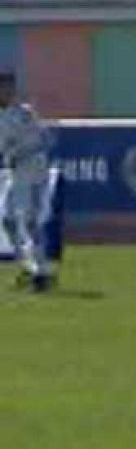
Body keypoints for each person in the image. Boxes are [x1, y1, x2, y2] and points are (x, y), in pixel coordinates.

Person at [0, 73, 54, 293]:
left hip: (29, 169)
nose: (6, 92)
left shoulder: (24, 113)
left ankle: (41, 272)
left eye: (8, 87)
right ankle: (29, 266)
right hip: (17, 171)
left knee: (28, 221)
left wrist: (19, 152)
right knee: (7, 218)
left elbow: (44, 138)